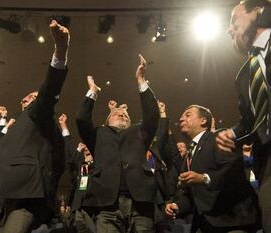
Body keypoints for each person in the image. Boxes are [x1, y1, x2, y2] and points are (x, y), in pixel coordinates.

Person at [0, 19, 70, 233]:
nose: (27, 99)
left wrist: (60, 51)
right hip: (7, 197)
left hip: (29, 196)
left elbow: (48, 93)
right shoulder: (17, 126)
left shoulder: (38, 113)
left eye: (33, 97)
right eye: (25, 99)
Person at [75, 54, 159, 233]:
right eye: (116, 114)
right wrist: (93, 91)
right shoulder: (98, 133)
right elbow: (81, 119)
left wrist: (141, 80)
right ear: (106, 121)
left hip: (141, 203)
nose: (121, 114)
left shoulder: (139, 132)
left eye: (125, 114)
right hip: (107, 204)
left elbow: (152, 115)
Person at [216, 0, 271, 230]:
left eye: (233, 19)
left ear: (257, 10)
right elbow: (250, 122)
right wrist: (233, 134)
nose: (229, 29)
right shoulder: (243, 76)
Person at [167, 105, 259, 233]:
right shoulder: (188, 156)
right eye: (182, 116)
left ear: (203, 121)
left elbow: (234, 172)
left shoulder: (218, 138)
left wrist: (204, 178)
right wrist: (177, 206)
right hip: (205, 224)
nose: (181, 119)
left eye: (188, 115)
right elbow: (190, 194)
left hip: (232, 221)